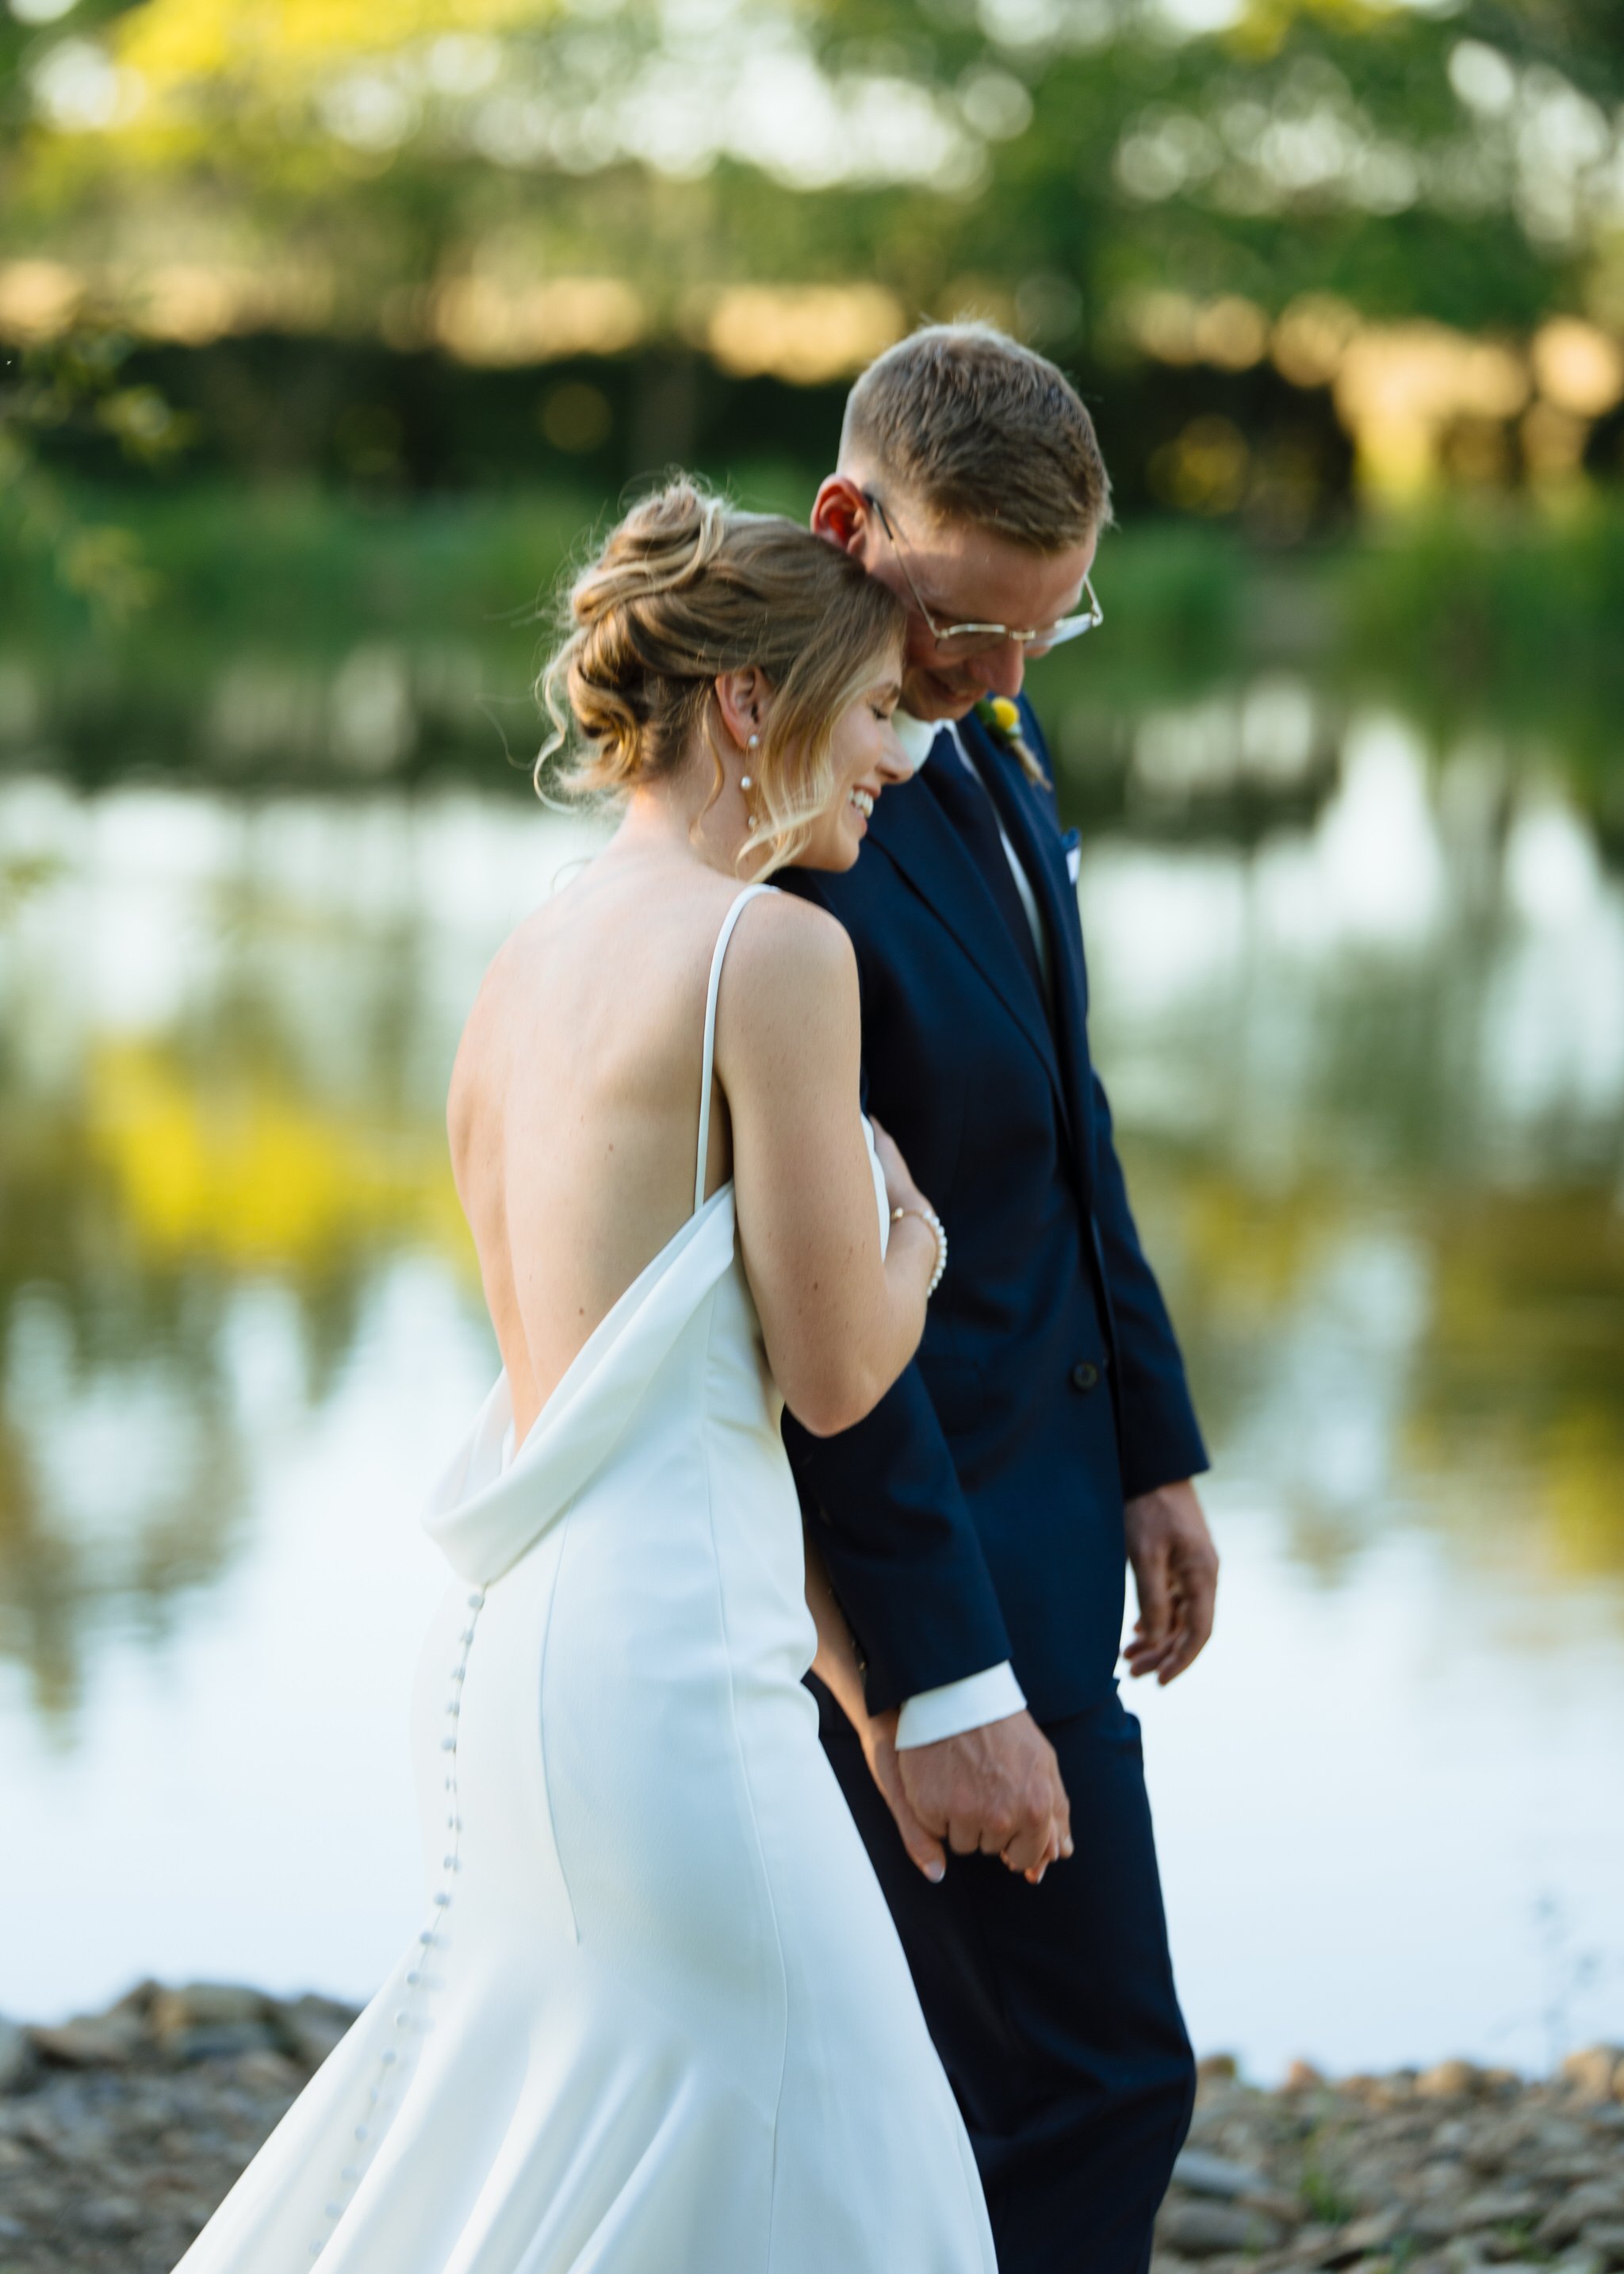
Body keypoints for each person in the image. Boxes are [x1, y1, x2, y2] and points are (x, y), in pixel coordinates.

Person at [172, 481, 999, 2273]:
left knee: (605, 2170)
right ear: (749, 706)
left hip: (511, 1656)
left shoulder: (530, 953)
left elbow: (613, 1372)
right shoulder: (775, 951)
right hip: (669, 1678)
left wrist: (854, 1678)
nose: (896, 757)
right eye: (874, 712)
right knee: (866, 2187)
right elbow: (836, 1377)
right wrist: (917, 1241)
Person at [779, 324, 1221, 2274]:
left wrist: (1150, 1444)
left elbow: (1060, 1116)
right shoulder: (784, 847)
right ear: (845, 526)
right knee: (1090, 2083)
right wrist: (933, 1676)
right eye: (970, 625)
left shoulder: (981, 731)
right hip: (915, 1564)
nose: (1006, 678)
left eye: (1054, 628)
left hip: (1055, 1500)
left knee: (977, 2095)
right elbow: (805, 1333)